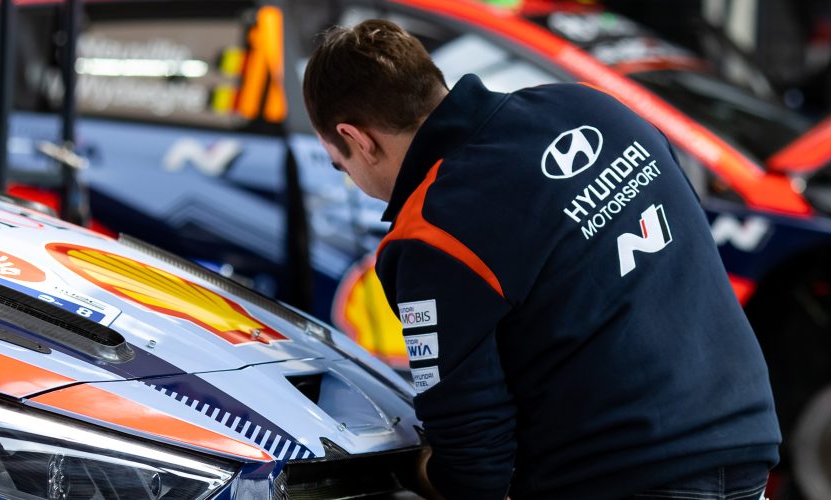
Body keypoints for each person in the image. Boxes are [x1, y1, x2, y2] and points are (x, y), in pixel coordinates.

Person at [302, 19, 780, 500]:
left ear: (357, 138)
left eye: (342, 165)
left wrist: (410, 471)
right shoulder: (590, 106)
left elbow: (473, 469)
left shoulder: (433, 231)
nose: (352, 180)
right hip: (745, 443)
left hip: (626, 475)